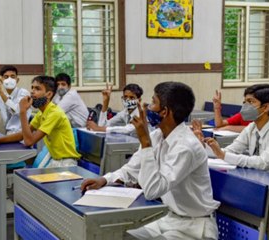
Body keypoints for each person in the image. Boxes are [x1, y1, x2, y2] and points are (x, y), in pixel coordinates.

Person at [82, 82, 219, 239]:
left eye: (153, 102)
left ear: (165, 112)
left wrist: (145, 142)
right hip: (170, 219)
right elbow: (131, 169)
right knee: (127, 237)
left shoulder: (186, 147)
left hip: (194, 227)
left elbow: (153, 190)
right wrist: (104, 180)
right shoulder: (157, 136)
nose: (147, 106)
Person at [197, 84, 269, 181]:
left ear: (265, 107)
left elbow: (263, 163)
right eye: (244, 102)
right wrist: (202, 146)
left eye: (251, 102)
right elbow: (231, 151)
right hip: (262, 177)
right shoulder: (252, 127)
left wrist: (223, 154)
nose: (245, 106)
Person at [0, 76, 81, 167]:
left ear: (49, 94)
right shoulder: (41, 113)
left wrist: (23, 112)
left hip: (66, 162)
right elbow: (21, 135)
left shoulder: (55, 113)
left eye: (37, 89)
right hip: (55, 159)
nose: (32, 91)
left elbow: (29, 142)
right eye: (32, 88)